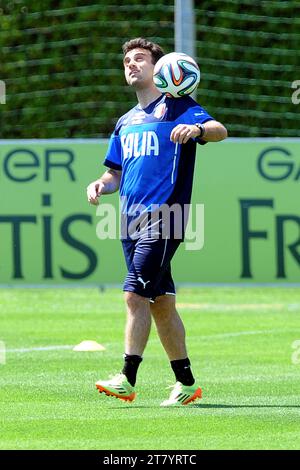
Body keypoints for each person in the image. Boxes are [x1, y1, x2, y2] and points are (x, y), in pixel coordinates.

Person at [87, 38, 227, 406]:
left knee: (134, 294)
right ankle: (186, 384)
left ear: (160, 69)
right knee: (160, 303)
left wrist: (197, 131)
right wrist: (101, 184)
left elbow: (219, 130)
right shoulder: (125, 121)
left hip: (166, 217)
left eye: (140, 59)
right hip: (130, 222)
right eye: (127, 61)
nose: (131, 64)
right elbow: (114, 172)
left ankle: (127, 378)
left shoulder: (178, 106)